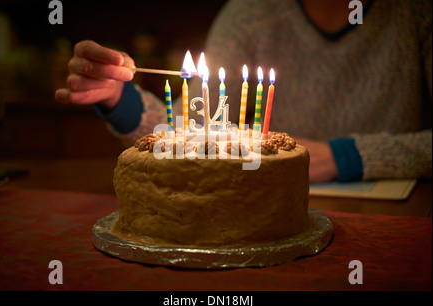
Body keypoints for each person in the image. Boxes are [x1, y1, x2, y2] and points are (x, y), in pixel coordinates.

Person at [55, 0, 432, 183]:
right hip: (251, 199)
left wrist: (343, 157)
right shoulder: (250, 13)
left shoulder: (416, 13)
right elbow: (194, 132)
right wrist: (119, 98)